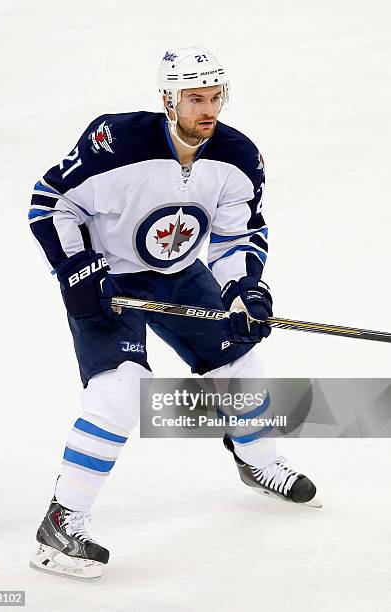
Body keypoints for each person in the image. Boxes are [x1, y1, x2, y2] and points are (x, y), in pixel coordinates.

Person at [28, 46, 318, 581]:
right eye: (195, 98)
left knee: (241, 363)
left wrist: (242, 289)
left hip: (180, 274)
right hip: (110, 278)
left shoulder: (237, 156)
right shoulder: (116, 142)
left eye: (215, 97)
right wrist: (76, 269)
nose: (208, 109)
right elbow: (50, 203)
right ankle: (61, 519)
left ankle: (258, 459)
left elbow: (238, 232)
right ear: (168, 99)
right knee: (119, 392)